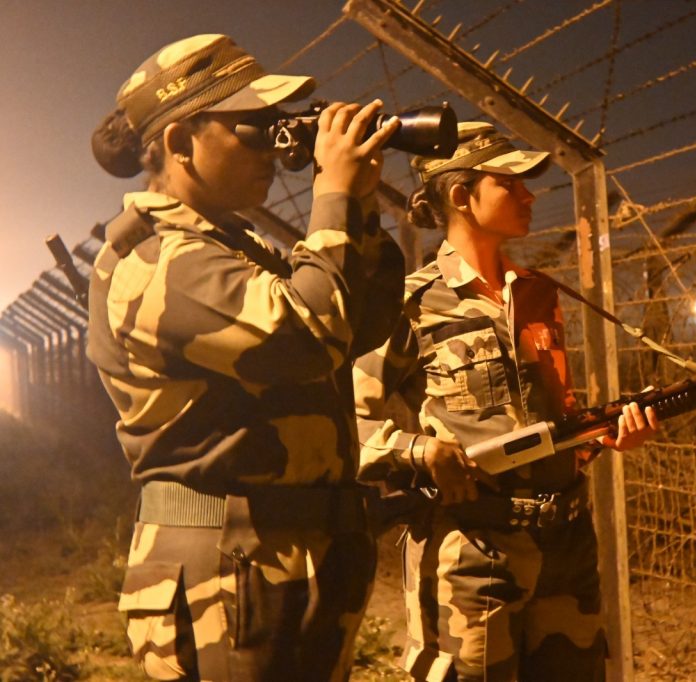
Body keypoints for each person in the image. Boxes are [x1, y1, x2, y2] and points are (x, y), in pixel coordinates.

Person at [87, 33, 405, 680]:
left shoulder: (233, 249)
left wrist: (360, 203)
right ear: (180, 142)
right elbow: (308, 338)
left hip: (288, 560)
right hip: (226, 571)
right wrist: (332, 196)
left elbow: (359, 326)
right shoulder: (158, 261)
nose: (271, 147)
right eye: (250, 129)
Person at [353, 122, 658, 681]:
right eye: (509, 184)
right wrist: (421, 452)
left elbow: (555, 416)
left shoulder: (539, 293)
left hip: (566, 546)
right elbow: (348, 419)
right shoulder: (411, 304)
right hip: (473, 554)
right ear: (461, 196)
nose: (528, 195)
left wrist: (605, 434)